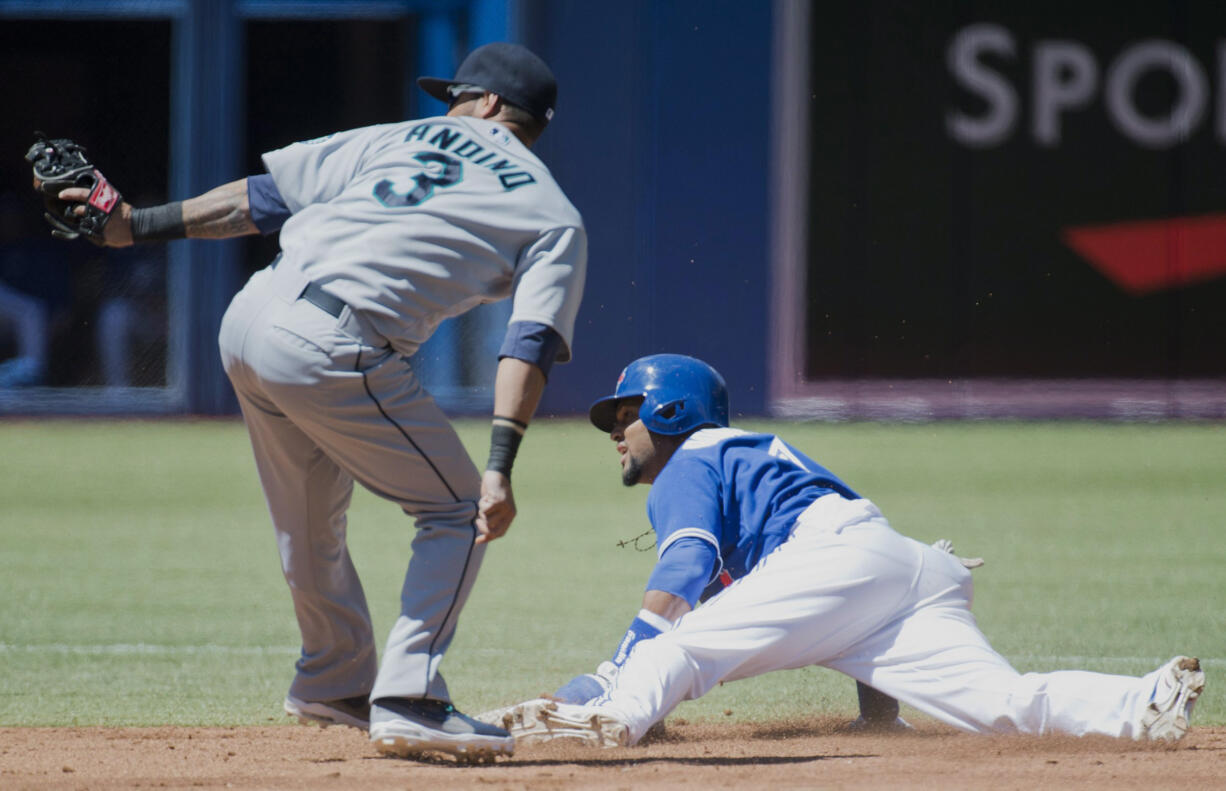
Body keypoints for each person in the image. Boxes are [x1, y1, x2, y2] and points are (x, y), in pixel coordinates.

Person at [48, 42, 585, 761]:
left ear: (487, 103)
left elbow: (260, 199)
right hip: (333, 343)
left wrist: (133, 226)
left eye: (455, 95)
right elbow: (531, 340)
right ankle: (409, 697)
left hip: (250, 314)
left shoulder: (396, 137)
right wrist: (499, 463)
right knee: (457, 508)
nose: (447, 109)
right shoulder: (554, 211)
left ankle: (334, 677)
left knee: (308, 518)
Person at [478, 354, 1206, 747]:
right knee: (1006, 706)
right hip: (907, 567)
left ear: (669, 412)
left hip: (839, 557)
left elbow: (684, 571)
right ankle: (1141, 702)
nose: (616, 430)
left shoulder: (694, 457)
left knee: (678, 650)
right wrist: (879, 714)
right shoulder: (751, 459)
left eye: (628, 413)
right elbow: (853, 598)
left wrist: (616, 683)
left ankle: (610, 723)